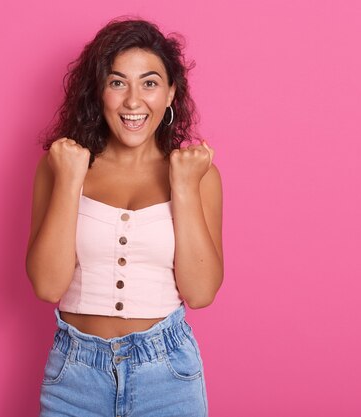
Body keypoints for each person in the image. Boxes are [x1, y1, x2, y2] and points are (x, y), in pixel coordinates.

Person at [26, 17, 223, 417]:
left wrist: (183, 186)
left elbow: (200, 294)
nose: (133, 101)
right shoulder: (61, 166)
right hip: (75, 375)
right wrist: (69, 181)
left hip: (168, 376)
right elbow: (47, 286)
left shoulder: (196, 174)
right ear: (98, 92)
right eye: (117, 83)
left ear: (170, 93)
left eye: (149, 83)